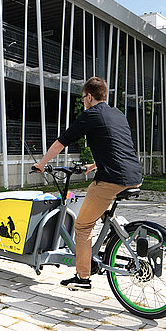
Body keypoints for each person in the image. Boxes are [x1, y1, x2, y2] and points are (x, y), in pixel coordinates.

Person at [32, 77, 142, 291]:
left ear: (89, 96)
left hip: (112, 179)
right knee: (99, 210)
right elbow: (116, 145)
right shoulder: (117, 114)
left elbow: (60, 142)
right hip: (134, 175)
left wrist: (42, 164)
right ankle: (115, 230)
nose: (83, 101)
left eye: (83, 98)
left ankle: (82, 277)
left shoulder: (90, 115)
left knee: (82, 226)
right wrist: (94, 165)